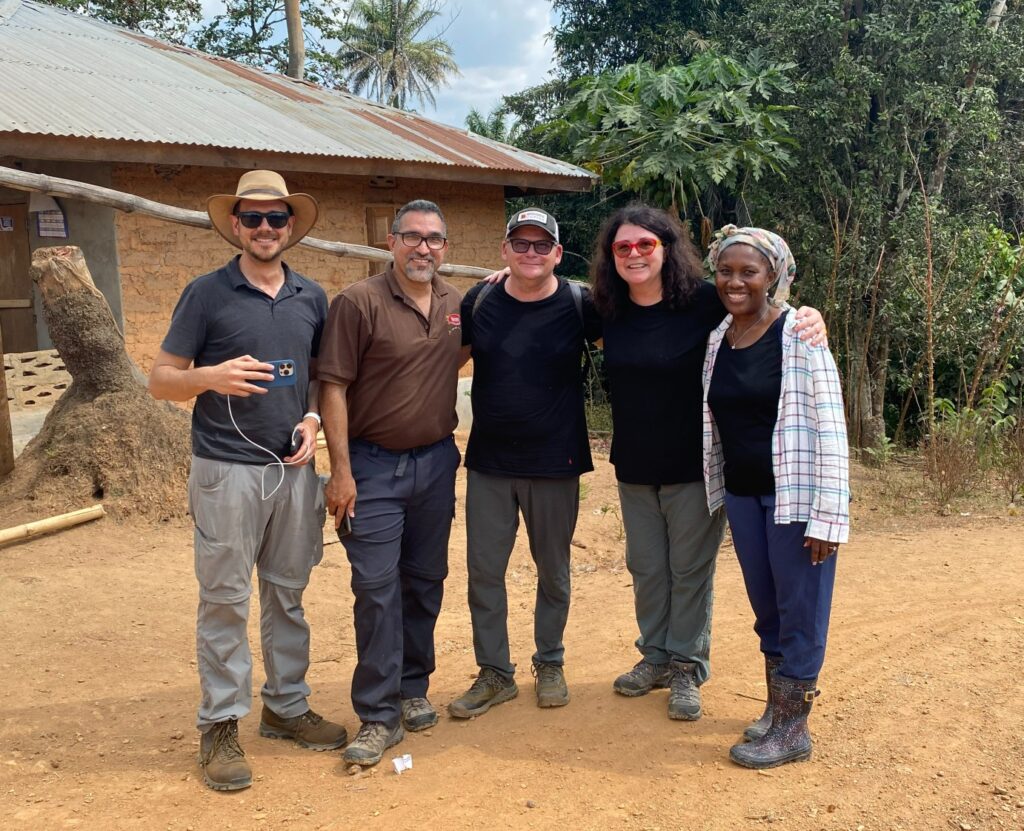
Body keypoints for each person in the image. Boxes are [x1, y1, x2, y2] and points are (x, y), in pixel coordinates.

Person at [149, 170, 347, 792]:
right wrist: (209, 378)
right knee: (226, 600)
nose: (266, 228)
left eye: (277, 218)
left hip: (292, 475)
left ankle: (285, 707)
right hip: (225, 471)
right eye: (253, 218)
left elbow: (323, 376)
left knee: (287, 593)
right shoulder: (206, 294)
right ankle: (221, 724)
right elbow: (160, 378)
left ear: (291, 226)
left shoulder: (311, 297)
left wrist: (314, 419)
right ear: (235, 225)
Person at [592, 204, 827, 721]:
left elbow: (762, 305)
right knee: (648, 569)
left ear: (667, 249)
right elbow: (544, 298)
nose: (634, 253)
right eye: (623, 247)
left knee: (689, 572)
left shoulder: (703, 301)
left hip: (696, 467)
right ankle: (653, 658)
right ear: (611, 256)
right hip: (633, 465)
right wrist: (502, 277)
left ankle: (686, 668)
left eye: (645, 245)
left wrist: (810, 314)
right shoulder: (606, 306)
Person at [318, 199, 463, 768]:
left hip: (436, 464)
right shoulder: (359, 303)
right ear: (390, 241)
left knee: (425, 581)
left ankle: (412, 685)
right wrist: (342, 471)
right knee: (376, 590)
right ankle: (378, 715)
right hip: (372, 469)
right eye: (411, 237)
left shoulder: (455, 303)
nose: (422, 248)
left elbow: (459, 352)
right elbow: (332, 386)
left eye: (433, 239)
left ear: (445, 248)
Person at [703, 225, 849, 768]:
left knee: (801, 611)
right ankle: (776, 709)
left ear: (775, 278)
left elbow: (831, 428)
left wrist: (829, 518)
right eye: (726, 270)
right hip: (743, 496)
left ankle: (794, 729)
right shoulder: (720, 337)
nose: (734, 281)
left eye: (749, 271)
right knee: (768, 611)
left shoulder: (800, 336)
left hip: (796, 501)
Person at [447, 208, 602, 720]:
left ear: (558, 253)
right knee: (483, 572)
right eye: (521, 244)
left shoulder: (582, 304)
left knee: (553, 570)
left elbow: (638, 339)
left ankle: (550, 662)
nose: (530, 254)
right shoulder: (481, 300)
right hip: (490, 461)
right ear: (504, 250)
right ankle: (495, 672)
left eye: (542, 246)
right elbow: (445, 360)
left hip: (556, 461)